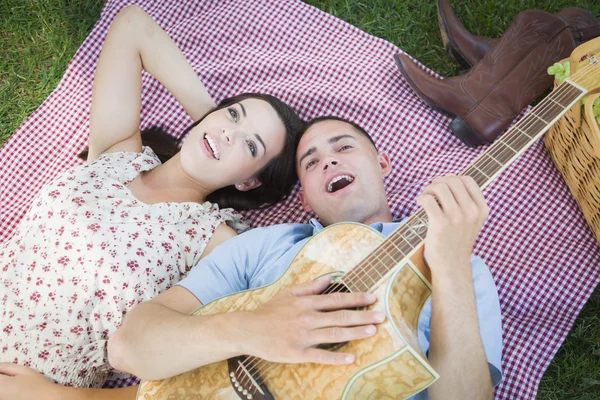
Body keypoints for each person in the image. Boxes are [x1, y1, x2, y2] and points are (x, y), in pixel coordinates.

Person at [0, 116, 502, 400]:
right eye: (310, 162)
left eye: (343, 147)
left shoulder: (456, 263)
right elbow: (130, 347)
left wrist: (451, 265)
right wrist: (254, 328)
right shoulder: (266, 246)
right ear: (304, 195)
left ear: (382, 163)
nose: (328, 160)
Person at [0, 4, 305, 389]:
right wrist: (213, 122)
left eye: (252, 147)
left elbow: (203, 375)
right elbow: (132, 26)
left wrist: (49, 396)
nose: (232, 133)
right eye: (235, 115)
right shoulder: (117, 154)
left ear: (248, 182)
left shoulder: (214, 243)